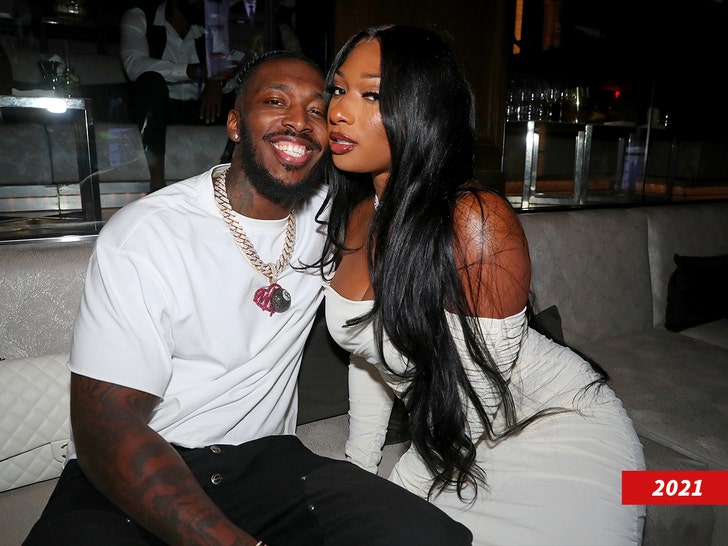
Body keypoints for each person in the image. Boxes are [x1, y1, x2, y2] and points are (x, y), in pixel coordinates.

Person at [23, 50, 473, 546]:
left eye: (317, 110)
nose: (299, 121)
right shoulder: (149, 233)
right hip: (135, 466)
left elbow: (409, 175)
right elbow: (106, 425)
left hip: (267, 462)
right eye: (276, 102)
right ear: (235, 124)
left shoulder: (336, 220)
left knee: (429, 537)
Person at [319, 24, 647, 546]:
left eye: (372, 95)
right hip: (450, 438)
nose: (338, 110)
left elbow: (475, 399)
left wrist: (394, 493)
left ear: (425, 109)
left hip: (551, 430)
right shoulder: (355, 213)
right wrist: (359, 465)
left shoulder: (476, 220)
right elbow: (369, 356)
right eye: (338, 89)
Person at [120, 0, 237, 193]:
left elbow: (225, 71)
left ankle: (226, 179)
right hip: (157, 110)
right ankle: (157, 183)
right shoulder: (140, 16)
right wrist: (196, 71)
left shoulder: (209, 25)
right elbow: (134, 66)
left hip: (198, 108)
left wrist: (216, 82)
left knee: (244, 96)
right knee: (150, 83)